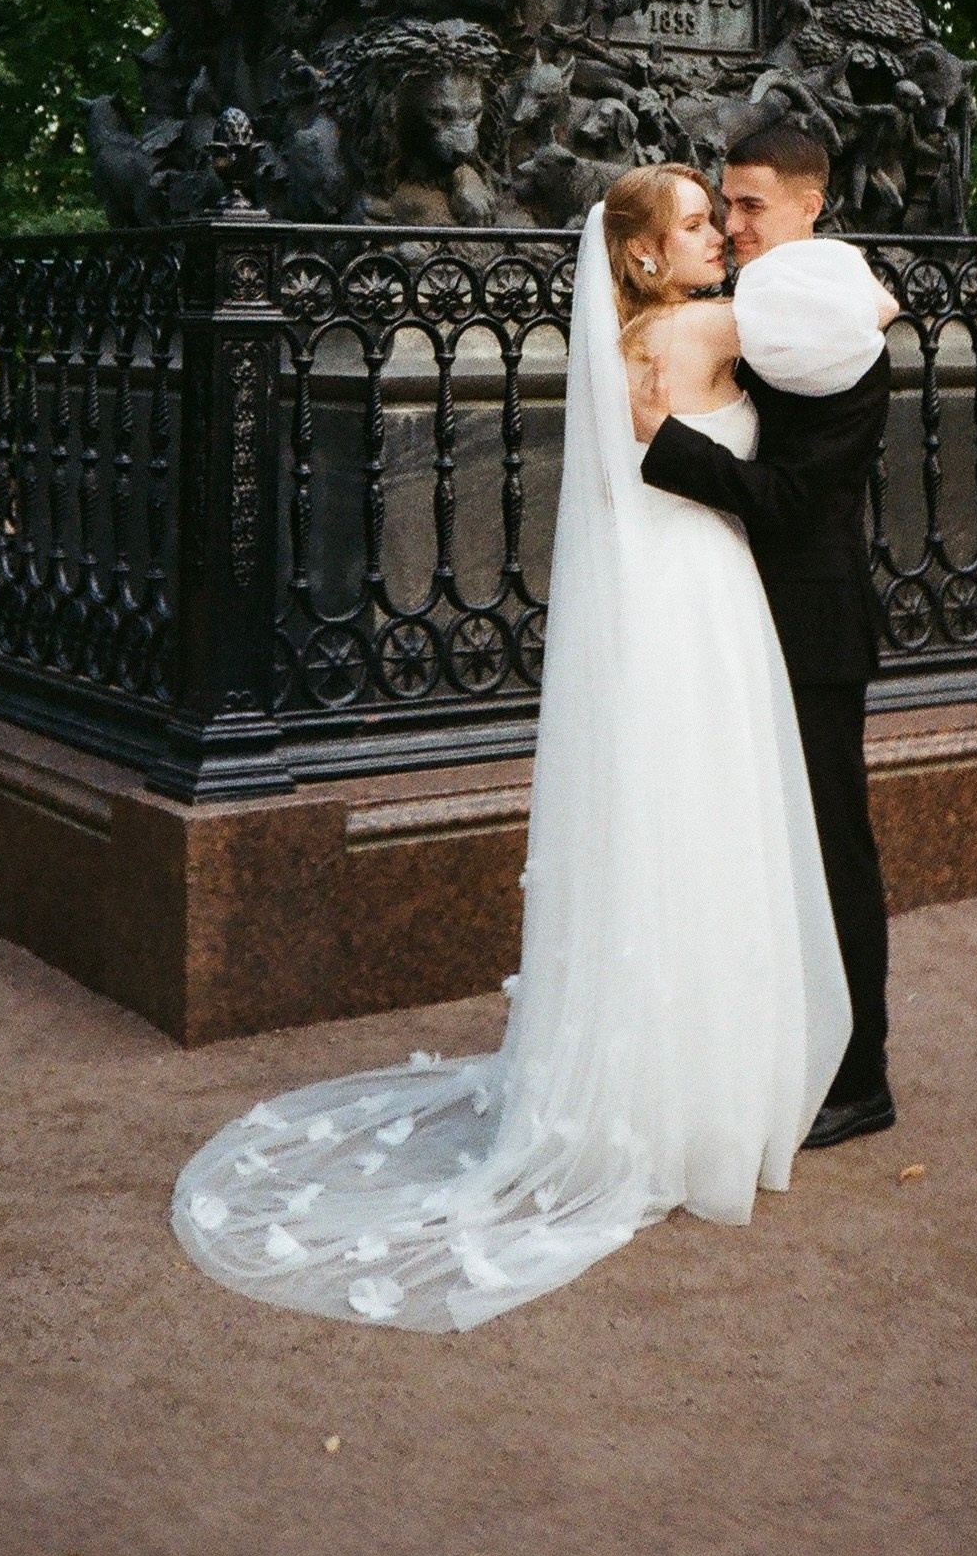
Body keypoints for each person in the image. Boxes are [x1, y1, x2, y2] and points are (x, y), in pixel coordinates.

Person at [171, 166, 847, 1331]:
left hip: (661, 598)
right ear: (640, 257)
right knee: (709, 828)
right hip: (700, 601)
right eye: (694, 222)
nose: (715, 238)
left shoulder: (635, 340)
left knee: (657, 830)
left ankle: (647, 1086)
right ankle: (704, 1103)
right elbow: (855, 313)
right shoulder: (700, 326)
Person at [641, 120, 903, 1147]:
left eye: (752, 203)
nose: (735, 221)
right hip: (731, 621)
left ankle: (861, 1074)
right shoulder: (749, 311)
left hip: (812, 623)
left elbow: (793, 498)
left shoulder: (845, 328)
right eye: (726, 202)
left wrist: (666, 449)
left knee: (833, 847)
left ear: (809, 203)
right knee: (756, 847)